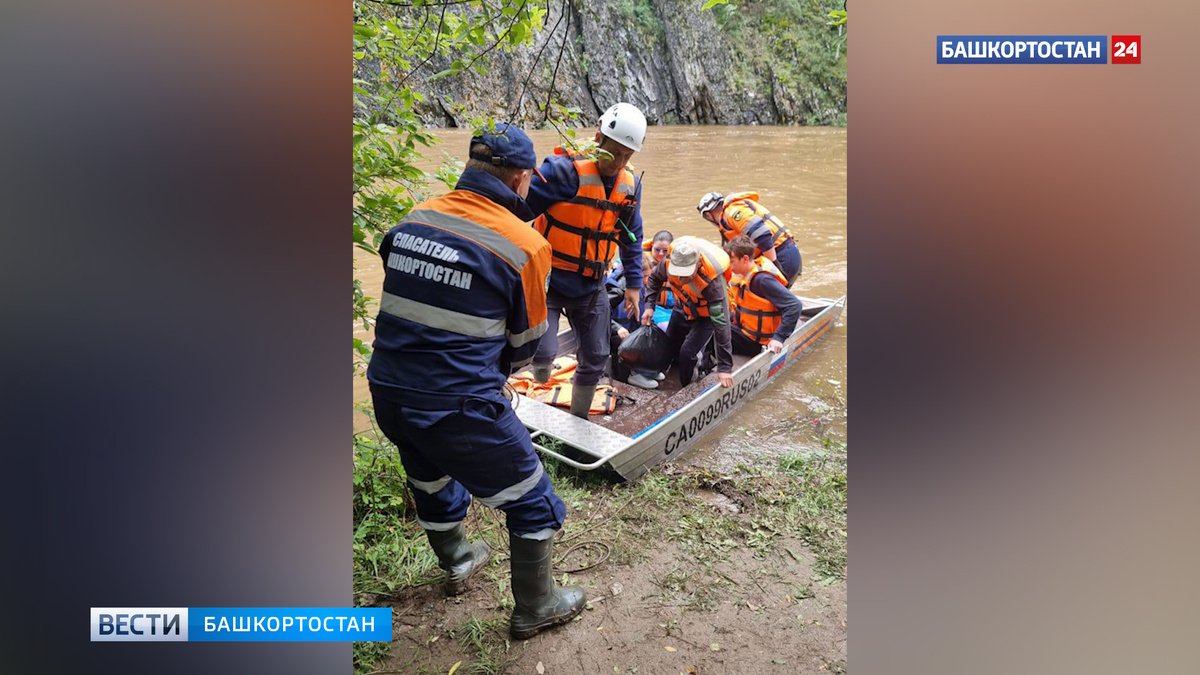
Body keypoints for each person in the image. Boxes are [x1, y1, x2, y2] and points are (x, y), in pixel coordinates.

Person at [366, 124, 585, 640]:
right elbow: (528, 340)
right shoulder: (525, 244)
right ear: (523, 178)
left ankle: (460, 560)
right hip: (457, 402)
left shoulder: (414, 216)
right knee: (534, 502)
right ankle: (538, 606)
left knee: (429, 477)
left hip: (388, 390)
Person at [527, 102, 648, 417]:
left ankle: (578, 419)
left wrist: (634, 284)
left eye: (627, 156)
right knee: (544, 353)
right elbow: (517, 210)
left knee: (596, 356)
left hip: (592, 283)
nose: (618, 162)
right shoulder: (562, 171)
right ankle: (540, 368)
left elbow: (631, 236)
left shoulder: (629, 186)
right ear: (598, 138)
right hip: (549, 278)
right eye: (613, 153)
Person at [640, 236, 736, 389]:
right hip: (682, 305)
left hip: (706, 316)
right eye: (678, 272)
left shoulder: (712, 283)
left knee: (688, 352)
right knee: (669, 342)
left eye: (686, 273)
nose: (681, 277)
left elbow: (721, 323)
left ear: (698, 265)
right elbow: (654, 279)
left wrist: (725, 367)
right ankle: (671, 373)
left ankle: (688, 387)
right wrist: (649, 305)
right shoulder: (667, 264)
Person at [696, 191, 802, 287]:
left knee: (766, 297)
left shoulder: (733, 212)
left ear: (708, 216)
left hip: (782, 255)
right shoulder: (728, 218)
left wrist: (773, 266)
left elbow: (761, 234)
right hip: (784, 253)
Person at [724, 235, 803, 356]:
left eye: (732, 262)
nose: (729, 266)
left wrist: (779, 338)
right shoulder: (743, 276)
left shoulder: (761, 280)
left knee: (714, 327)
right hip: (745, 330)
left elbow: (794, 305)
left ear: (745, 259)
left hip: (755, 342)